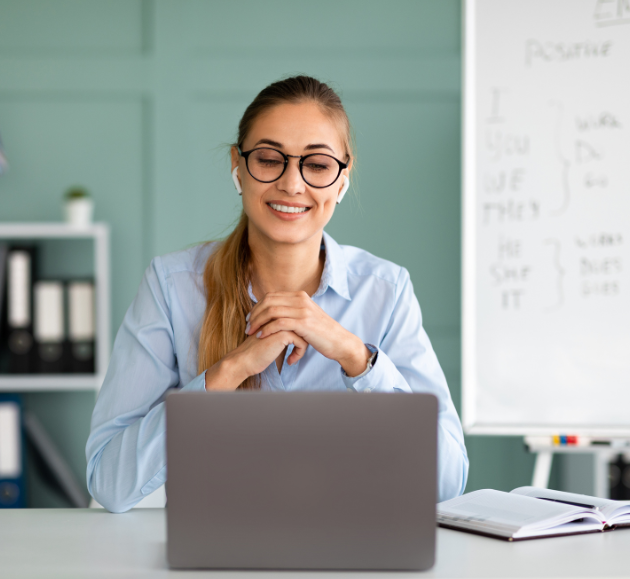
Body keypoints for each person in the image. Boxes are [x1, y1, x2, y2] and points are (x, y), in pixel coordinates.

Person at [86, 75, 468, 513]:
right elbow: (108, 481)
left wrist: (355, 357)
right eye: (269, 159)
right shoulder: (172, 287)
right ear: (238, 165)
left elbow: (448, 480)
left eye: (318, 165)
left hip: (353, 555)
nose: (291, 184)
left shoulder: (385, 291)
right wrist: (228, 372)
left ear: (342, 179)